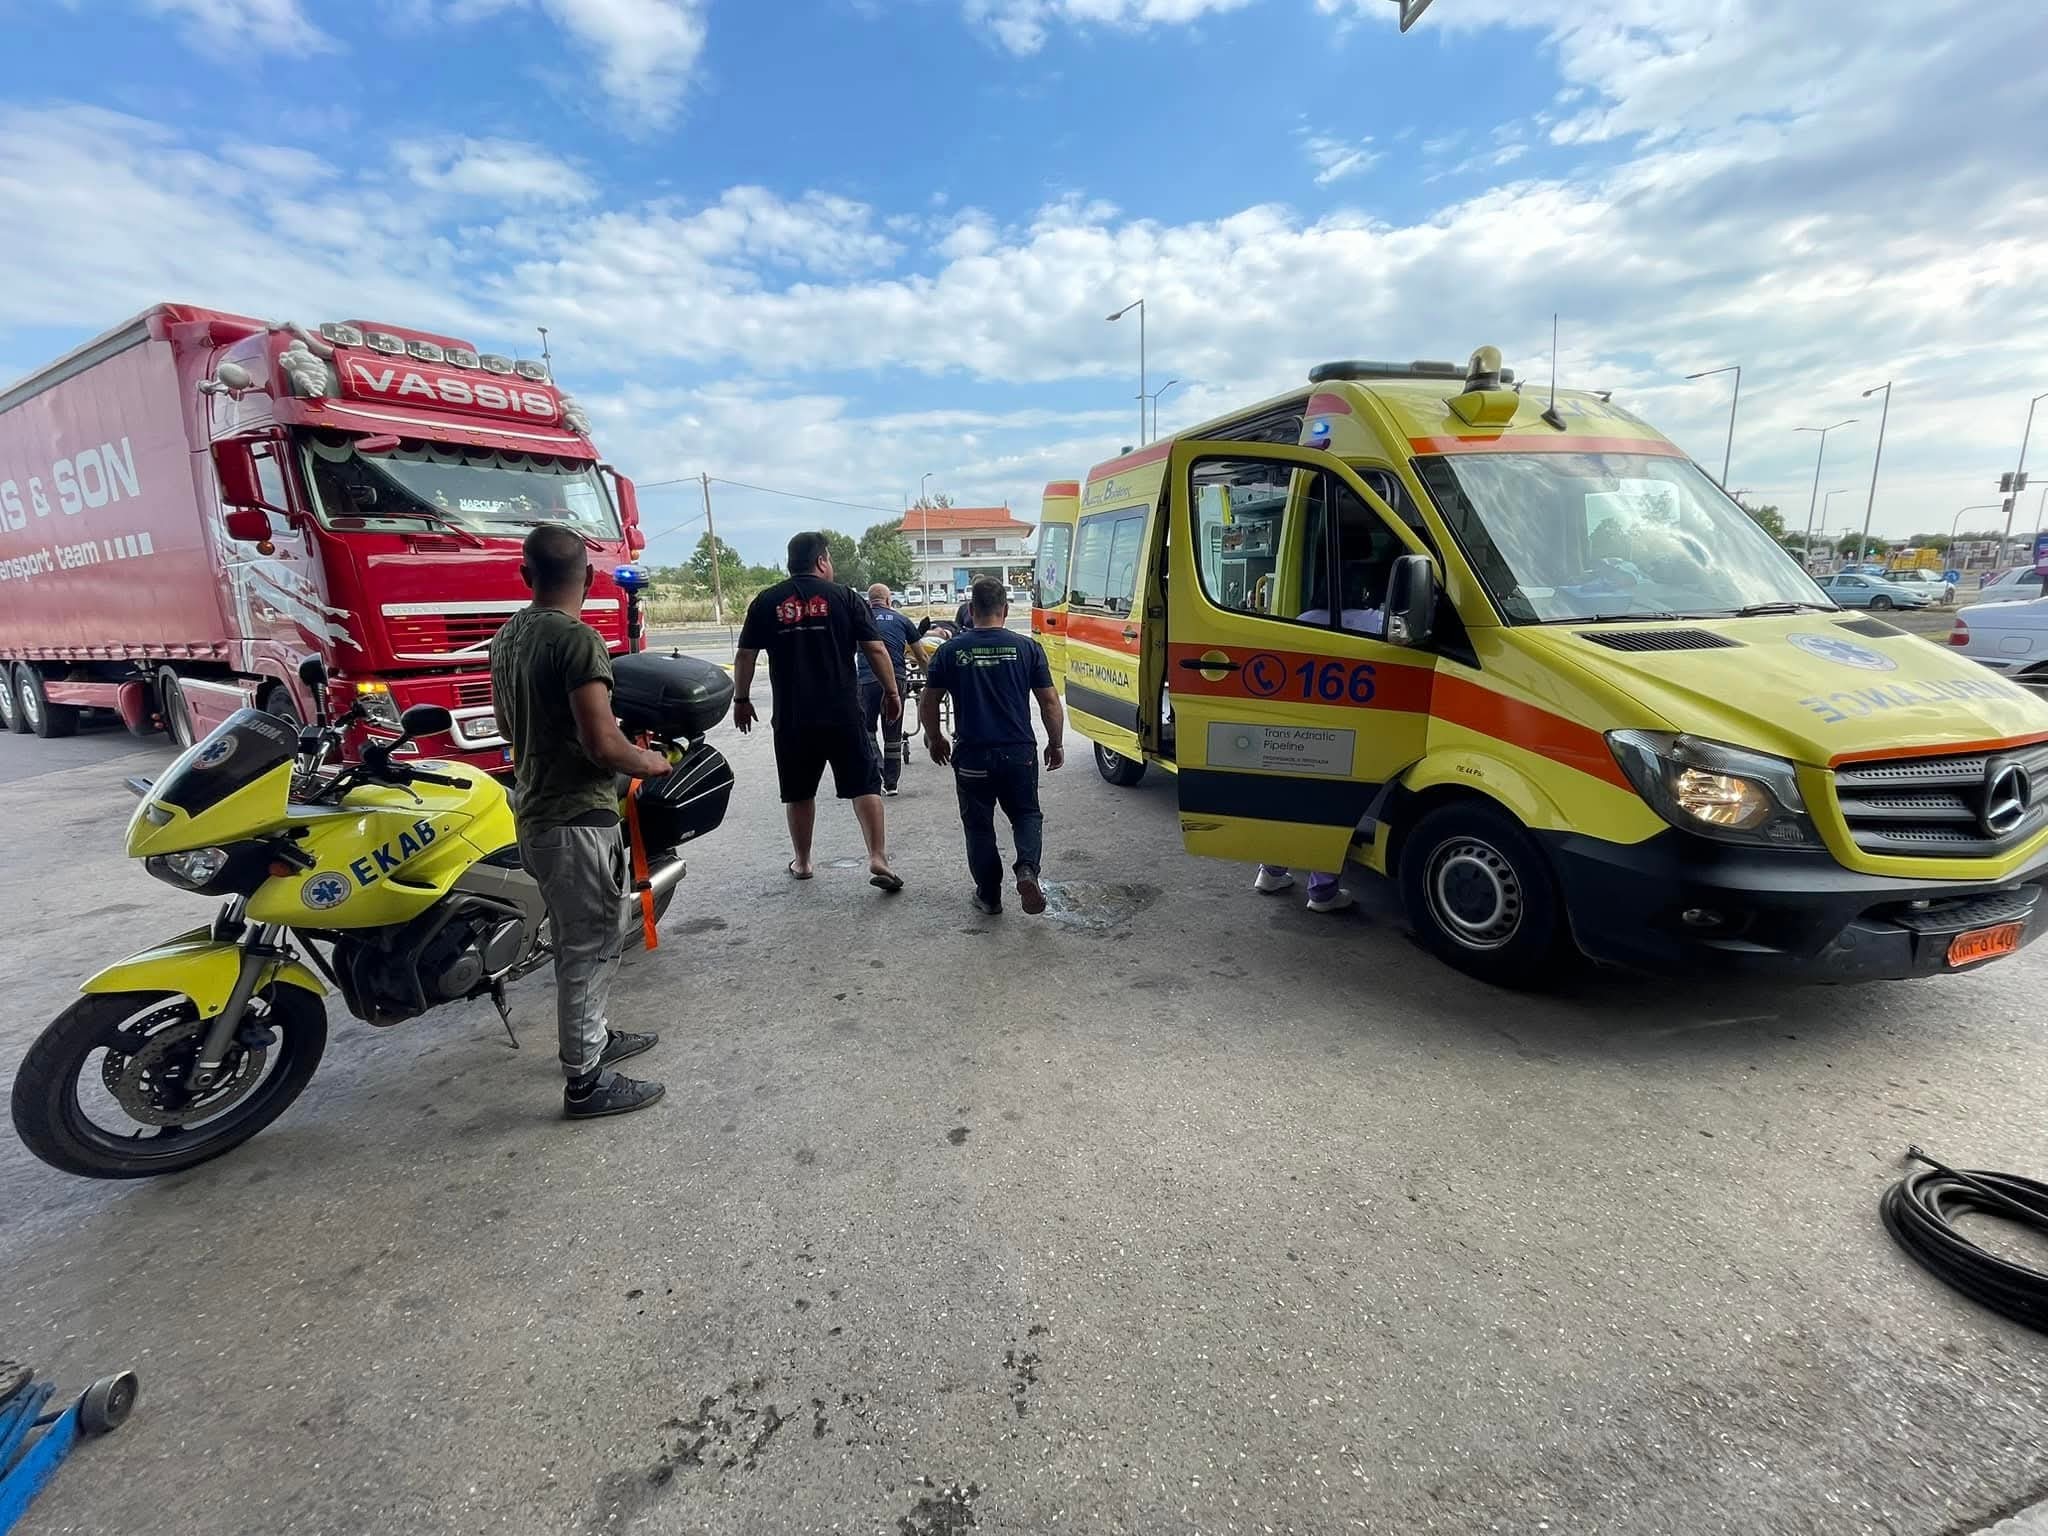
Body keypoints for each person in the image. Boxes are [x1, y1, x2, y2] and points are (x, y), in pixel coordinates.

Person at [490, 524, 674, 1120]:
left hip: (533, 809)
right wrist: (653, 762)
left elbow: (508, 727)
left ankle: (591, 1038)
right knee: (590, 943)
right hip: (576, 818)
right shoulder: (577, 639)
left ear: (526, 575)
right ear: (591, 578)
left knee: (581, 940)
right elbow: (602, 743)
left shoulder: (508, 636)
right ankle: (586, 1083)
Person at [734, 532, 904, 890]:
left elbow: (746, 655)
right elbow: (875, 649)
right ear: (821, 561)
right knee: (865, 785)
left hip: (793, 717)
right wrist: (891, 692)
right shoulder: (845, 598)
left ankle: (803, 861)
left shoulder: (767, 601)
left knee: (798, 792)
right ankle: (877, 856)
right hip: (843, 712)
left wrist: (742, 700)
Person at [921, 576, 1065, 915]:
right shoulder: (1027, 648)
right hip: (1018, 753)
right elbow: (1049, 703)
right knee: (1026, 814)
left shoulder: (949, 651)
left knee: (978, 826)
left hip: (972, 755)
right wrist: (1056, 743)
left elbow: (929, 701)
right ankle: (1027, 868)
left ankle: (989, 896)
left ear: (971, 610)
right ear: (1005, 609)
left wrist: (935, 737)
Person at [1255, 566, 1384, 914]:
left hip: (1296, 727)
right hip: (1342, 731)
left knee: (1291, 803)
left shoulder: (1302, 621)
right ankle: (1323, 891)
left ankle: (1270, 872)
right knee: (1330, 809)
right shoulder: (1372, 621)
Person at [857, 582, 919, 797]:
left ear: (869, 602)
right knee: (892, 734)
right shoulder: (902, 620)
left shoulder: (860, 619)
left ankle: (879, 770)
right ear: (889, 601)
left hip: (867, 681)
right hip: (896, 680)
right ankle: (891, 783)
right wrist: (933, 678)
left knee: (867, 730)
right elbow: (920, 654)